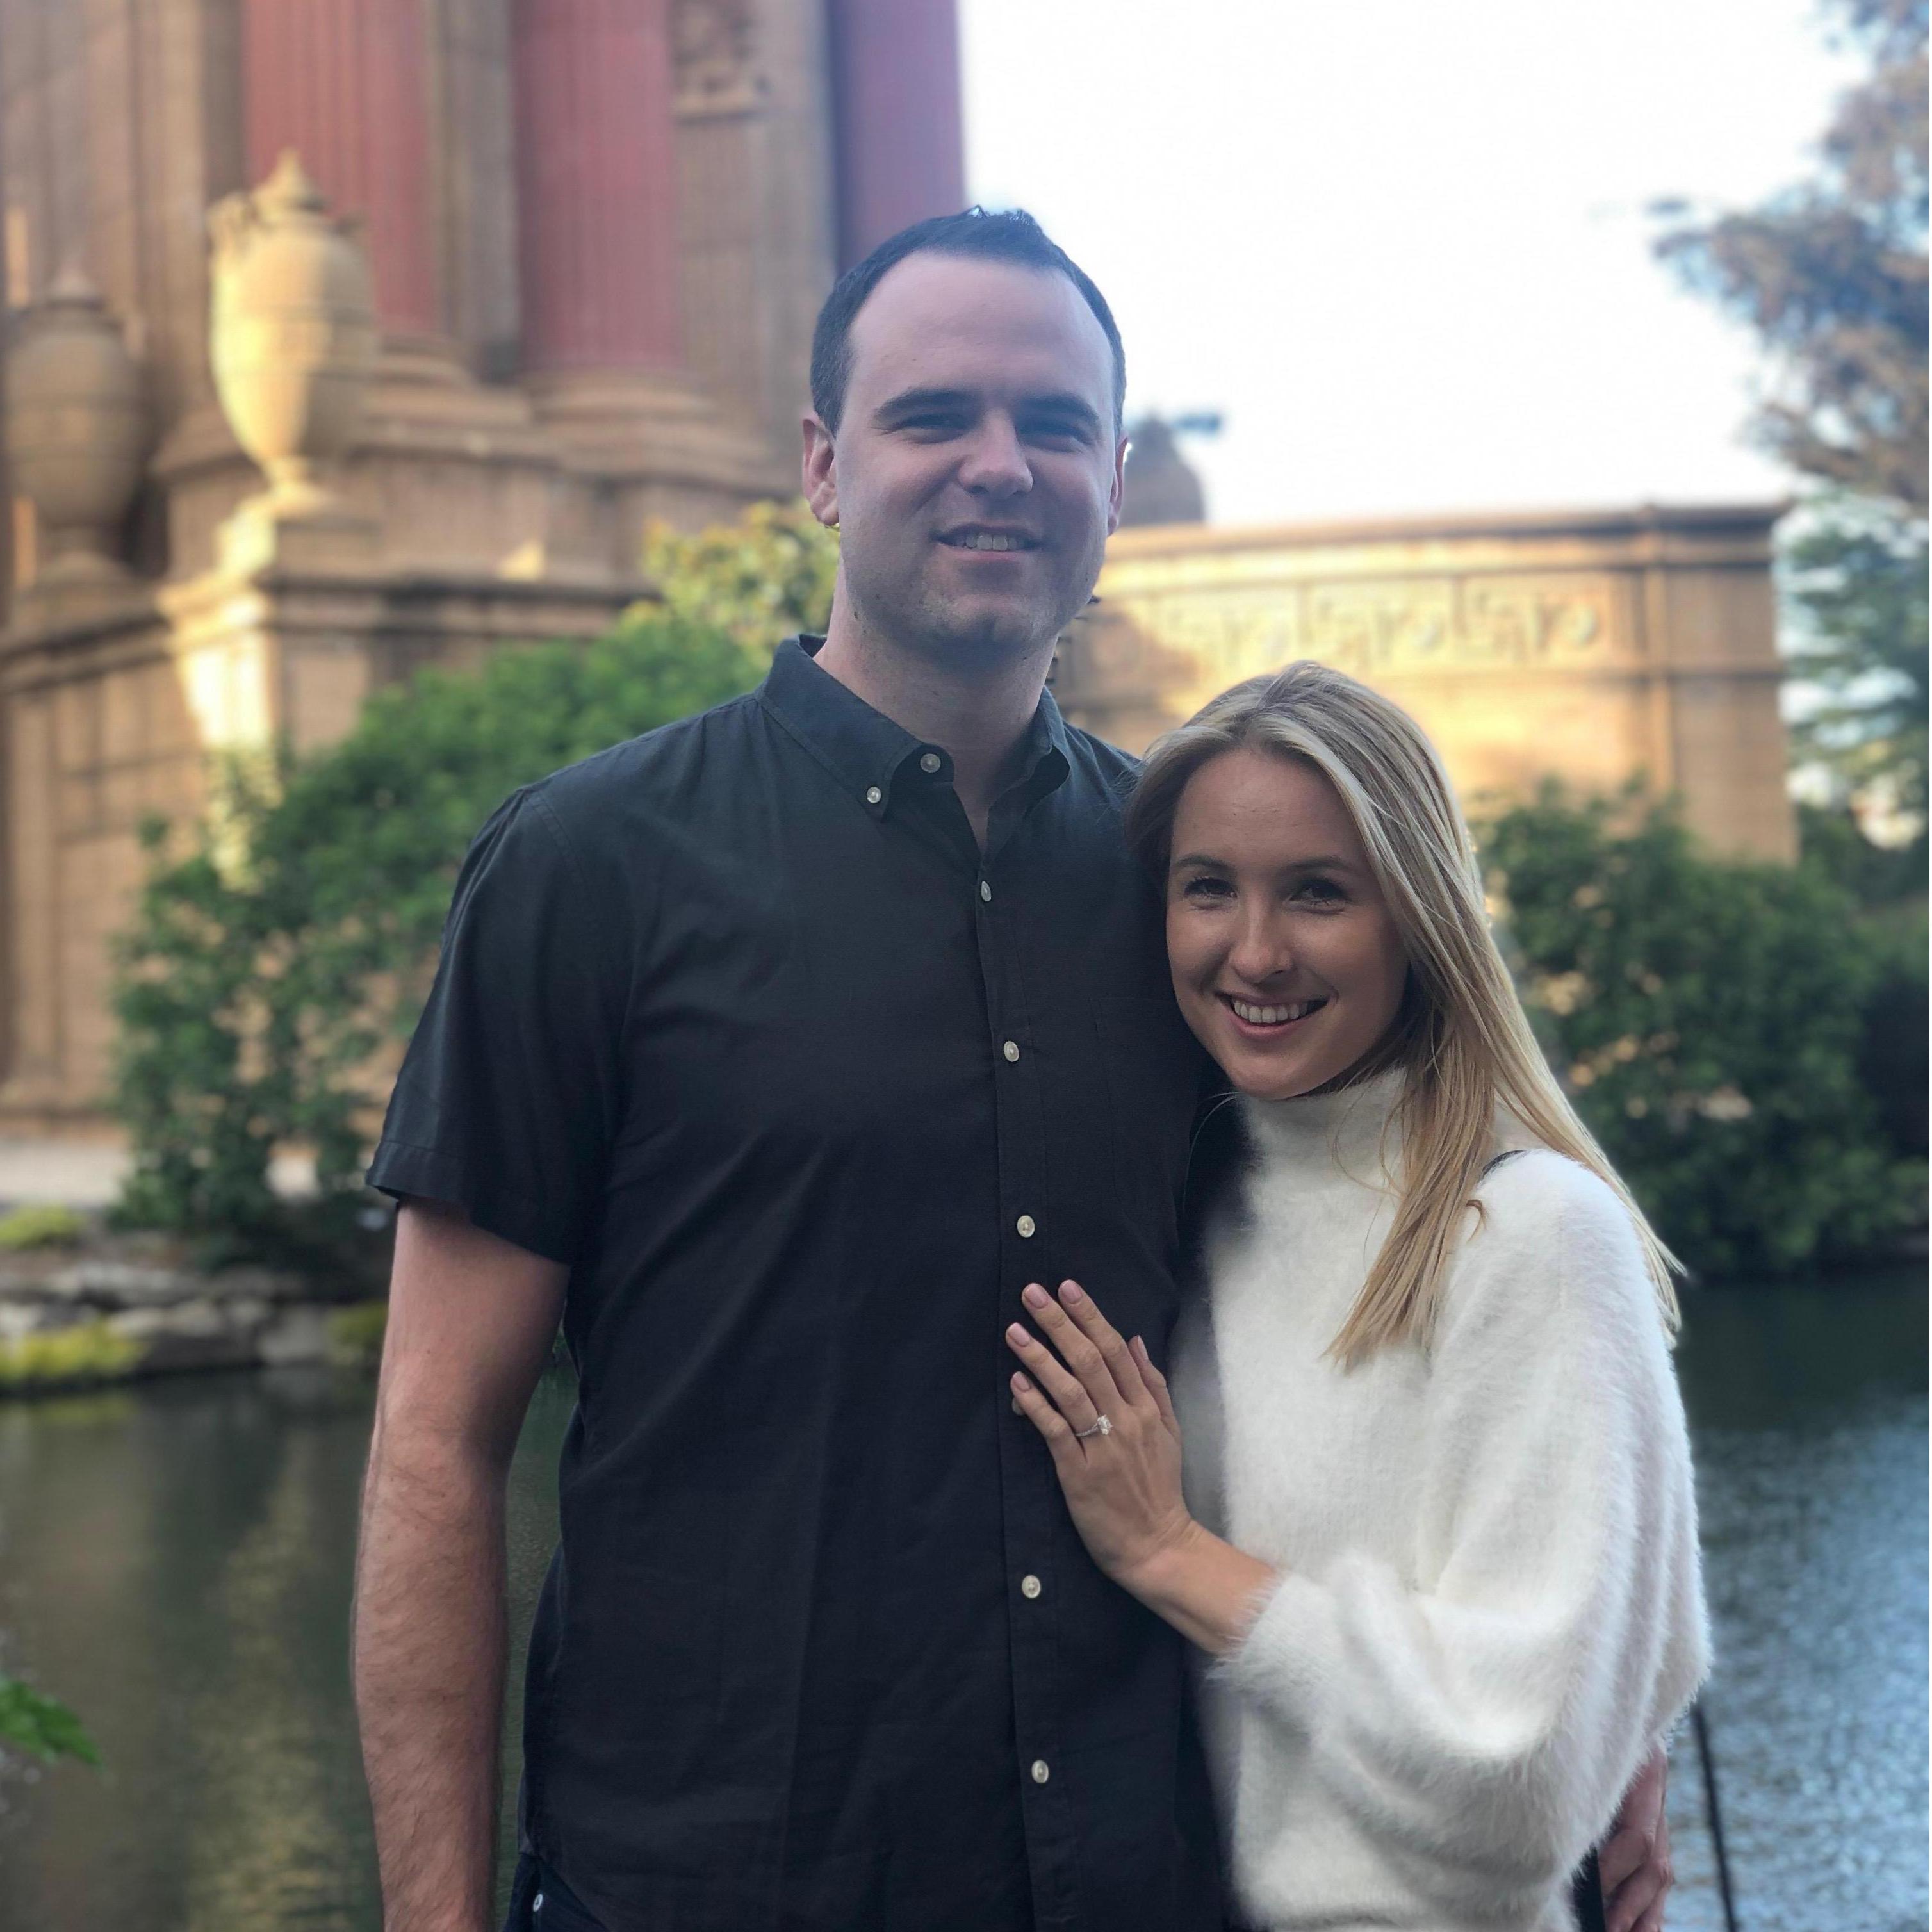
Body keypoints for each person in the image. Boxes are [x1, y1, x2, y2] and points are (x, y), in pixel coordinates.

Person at [351, 208, 1677, 1932]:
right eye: (933, 417)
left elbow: (1436, 1242)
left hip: (1131, 1882)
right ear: (824, 466)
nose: (1000, 466)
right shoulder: (591, 867)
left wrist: (1610, 1694)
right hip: (710, 1884)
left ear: (1111, 481)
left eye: (1053, 425)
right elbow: (434, 1447)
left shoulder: (1191, 892)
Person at [1001, 662, 1708, 1932]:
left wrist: (1171, 1553)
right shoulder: (1196, 1209)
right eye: (1205, 886)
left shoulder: (1533, 1234)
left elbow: (1519, 1782)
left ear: (1416, 916)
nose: (1254, 950)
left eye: (1317, 892)